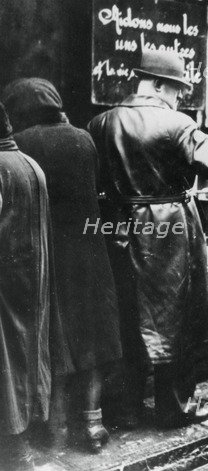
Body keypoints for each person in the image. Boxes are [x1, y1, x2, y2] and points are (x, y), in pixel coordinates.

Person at [88, 50, 208, 428]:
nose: (178, 98)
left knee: (128, 315)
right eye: (176, 89)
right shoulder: (177, 124)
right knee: (178, 315)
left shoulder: (99, 123)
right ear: (158, 84)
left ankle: (125, 410)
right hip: (169, 227)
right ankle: (175, 408)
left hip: (119, 227)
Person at [2, 78, 122, 453]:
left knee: (55, 339)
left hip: (51, 254)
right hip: (91, 251)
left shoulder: (24, 142)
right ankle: (92, 424)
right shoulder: (83, 138)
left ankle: (51, 431)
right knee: (94, 335)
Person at [0, 102, 73, 470]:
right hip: (31, 277)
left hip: (5, 281)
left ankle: (15, 453)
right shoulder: (30, 164)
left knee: (7, 364)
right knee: (26, 357)